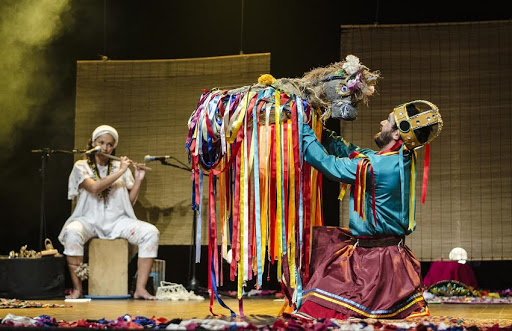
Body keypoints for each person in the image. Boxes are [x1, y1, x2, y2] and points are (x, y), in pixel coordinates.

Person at [286, 100, 443, 319]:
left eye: (387, 122)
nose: (381, 123)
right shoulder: (397, 159)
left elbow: (326, 163)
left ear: (398, 135)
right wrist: (317, 128)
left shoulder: (376, 168)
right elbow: (350, 151)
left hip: (375, 263)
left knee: (320, 308)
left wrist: (303, 130)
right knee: (316, 240)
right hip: (385, 254)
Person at [58, 125, 160, 300]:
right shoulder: (81, 166)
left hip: (117, 221)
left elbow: (128, 202)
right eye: (101, 143)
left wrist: (138, 180)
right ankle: (77, 289)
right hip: (88, 221)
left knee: (151, 232)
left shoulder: (120, 167)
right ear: (93, 143)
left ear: (114, 146)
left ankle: (140, 289)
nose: (105, 148)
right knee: (72, 232)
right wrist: (121, 170)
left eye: (110, 144)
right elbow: (94, 188)